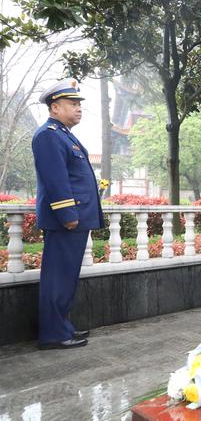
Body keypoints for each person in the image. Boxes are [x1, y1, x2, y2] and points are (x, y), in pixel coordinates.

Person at [32, 78, 104, 350]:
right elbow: (56, 180)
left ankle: (62, 326)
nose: (78, 108)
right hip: (66, 220)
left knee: (67, 276)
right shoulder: (48, 135)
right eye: (72, 104)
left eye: (79, 104)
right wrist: (67, 214)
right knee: (58, 277)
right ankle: (52, 333)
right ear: (54, 107)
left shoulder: (63, 134)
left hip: (75, 218)